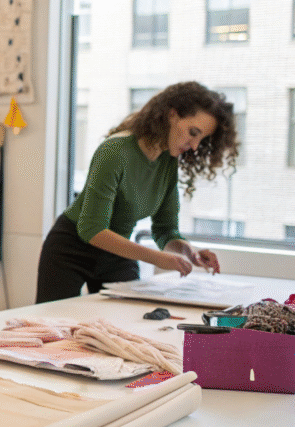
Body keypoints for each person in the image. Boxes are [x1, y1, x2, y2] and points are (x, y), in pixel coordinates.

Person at [35, 81, 238, 304]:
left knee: (127, 318)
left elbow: (165, 230)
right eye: (193, 132)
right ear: (172, 115)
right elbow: (91, 229)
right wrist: (157, 258)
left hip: (117, 251)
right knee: (52, 322)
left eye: (202, 139)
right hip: (71, 249)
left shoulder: (168, 162)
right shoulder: (114, 151)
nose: (195, 145)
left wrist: (189, 252)